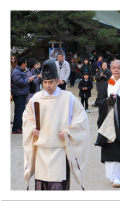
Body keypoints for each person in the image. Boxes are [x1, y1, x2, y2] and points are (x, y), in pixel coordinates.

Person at [22, 59, 90, 190]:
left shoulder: (69, 98)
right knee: (41, 187)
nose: (48, 86)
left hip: (60, 151)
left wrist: (69, 132)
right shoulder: (36, 98)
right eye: (45, 82)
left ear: (58, 81)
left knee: (59, 187)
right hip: (41, 149)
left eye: (51, 82)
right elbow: (26, 117)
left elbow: (81, 120)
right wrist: (31, 128)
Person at [94, 60, 120, 188]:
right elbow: (98, 100)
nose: (116, 70)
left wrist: (119, 99)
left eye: (119, 68)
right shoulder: (107, 84)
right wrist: (107, 100)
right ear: (110, 70)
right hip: (108, 121)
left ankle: (119, 176)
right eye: (114, 68)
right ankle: (113, 176)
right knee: (109, 148)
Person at [11, 58, 34, 134]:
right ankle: (16, 128)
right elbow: (19, 82)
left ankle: (18, 127)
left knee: (21, 111)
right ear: (23, 64)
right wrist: (28, 80)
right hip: (18, 94)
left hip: (21, 94)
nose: (26, 65)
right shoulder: (16, 72)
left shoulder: (20, 71)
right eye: (25, 63)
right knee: (19, 112)